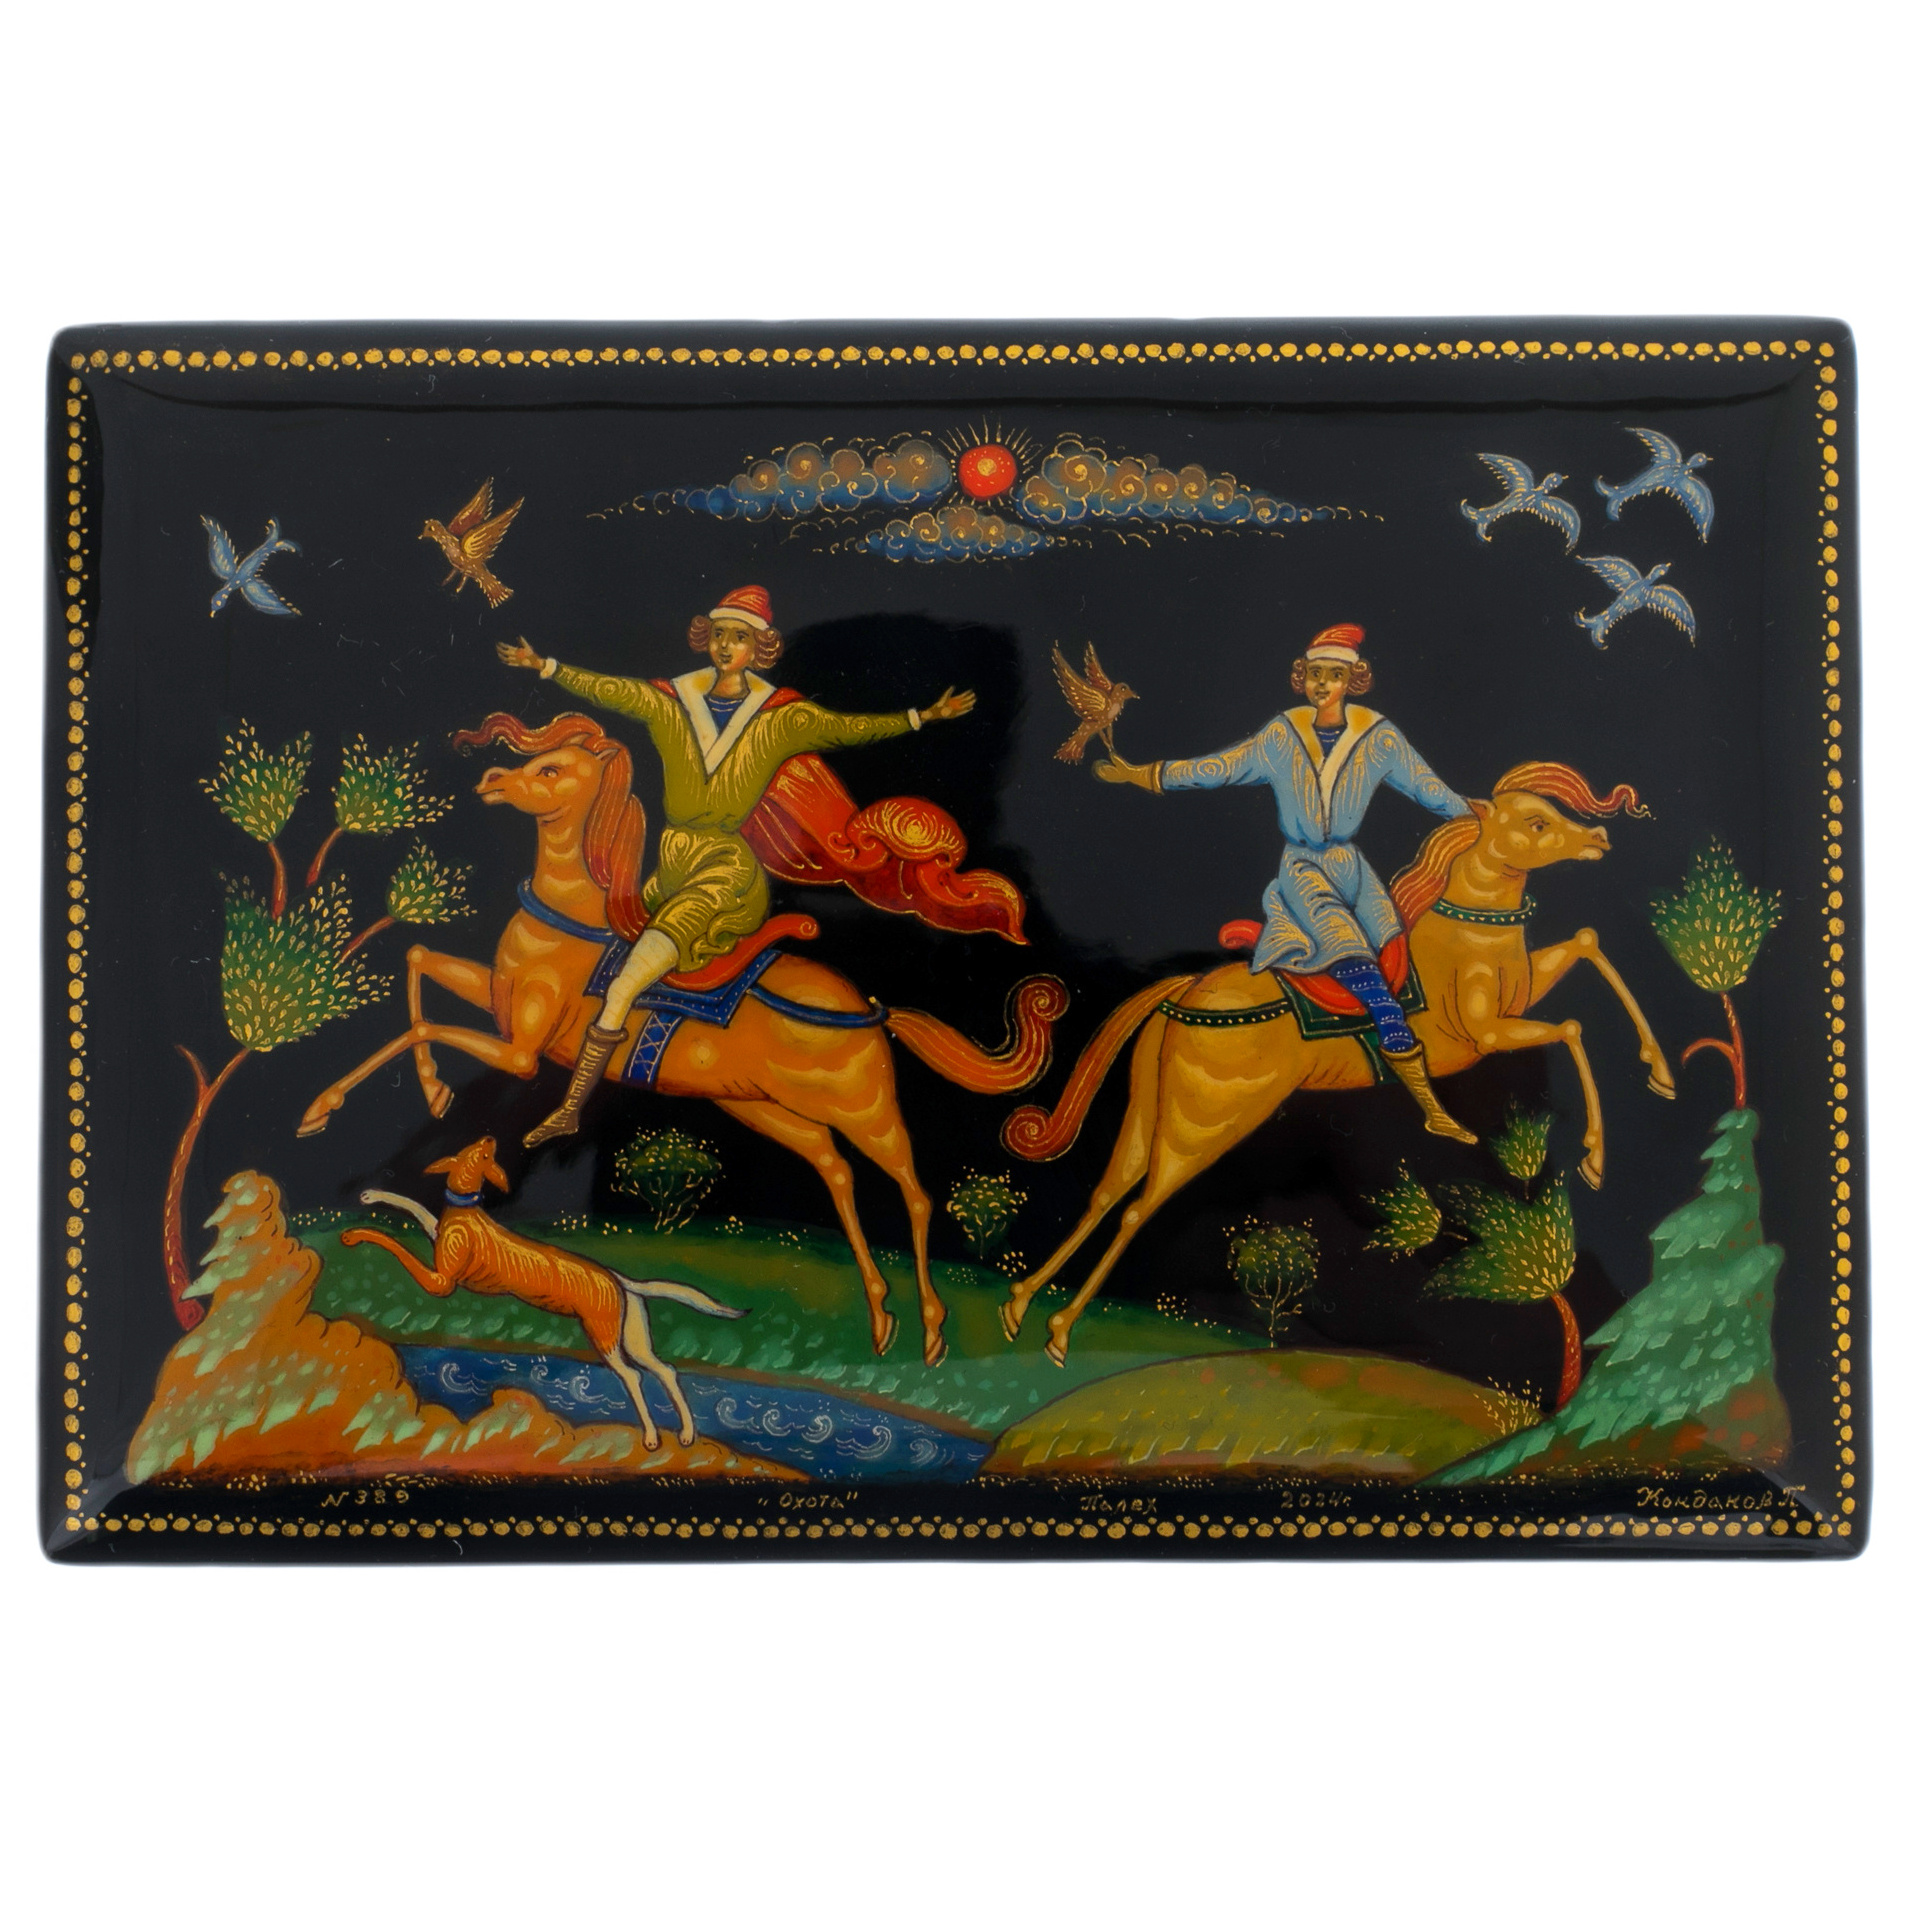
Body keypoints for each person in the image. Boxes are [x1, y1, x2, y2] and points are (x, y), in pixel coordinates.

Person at [498, 585, 975, 1145]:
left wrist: (922, 716)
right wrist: (547, 666)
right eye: (720, 634)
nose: (727, 646)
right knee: (603, 947)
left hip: (724, 874)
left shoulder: (781, 719)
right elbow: (614, 691)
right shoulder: (672, 702)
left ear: (760, 647)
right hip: (673, 865)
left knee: (623, 985)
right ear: (707, 638)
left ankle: (571, 1108)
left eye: (740, 637)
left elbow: (849, 728)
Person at [1094, 622, 1478, 1142]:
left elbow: (1426, 786)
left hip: (1353, 869)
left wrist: (1474, 814)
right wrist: (1149, 774)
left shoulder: (1380, 736)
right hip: (1303, 870)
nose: (1323, 684)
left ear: (1353, 679)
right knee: (1367, 977)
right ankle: (1431, 1109)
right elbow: (1220, 767)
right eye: (1315, 673)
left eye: (1334, 675)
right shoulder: (1281, 736)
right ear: (1301, 677)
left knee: (1400, 955)